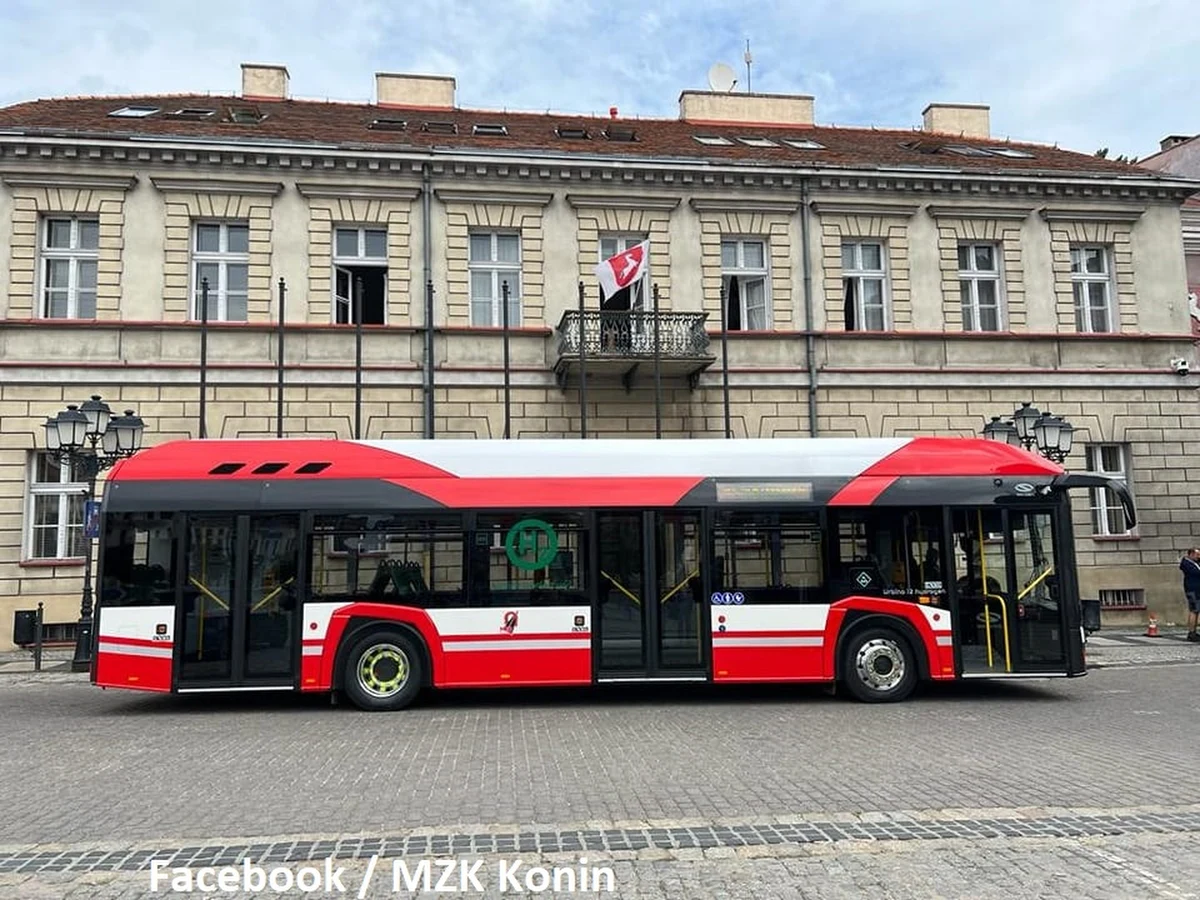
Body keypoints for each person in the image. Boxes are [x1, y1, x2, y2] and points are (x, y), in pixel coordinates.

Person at [1180, 548, 1200, 641]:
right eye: (1197, 555)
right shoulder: (1187, 564)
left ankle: (1194, 632)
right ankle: (1191, 632)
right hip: (1193, 590)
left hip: (1196, 589)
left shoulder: (1195, 563)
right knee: (1194, 610)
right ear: (1191, 554)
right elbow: (1196, 573)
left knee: (1196, 611)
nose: (1199, 557)